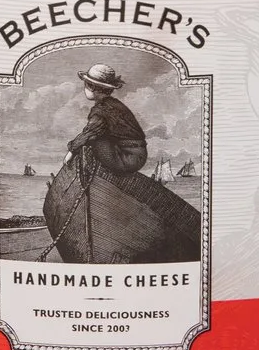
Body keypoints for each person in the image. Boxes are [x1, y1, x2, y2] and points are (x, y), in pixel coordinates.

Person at [42, 62, 201, 264]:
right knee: (91, 142)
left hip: (128, 157)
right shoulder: (112, 107)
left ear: (94, 88)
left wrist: (72, 150)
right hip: (131, 154)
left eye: (89, 85)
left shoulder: (101, 111)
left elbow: (91, 132)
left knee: (92, 141)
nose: (87, 89)